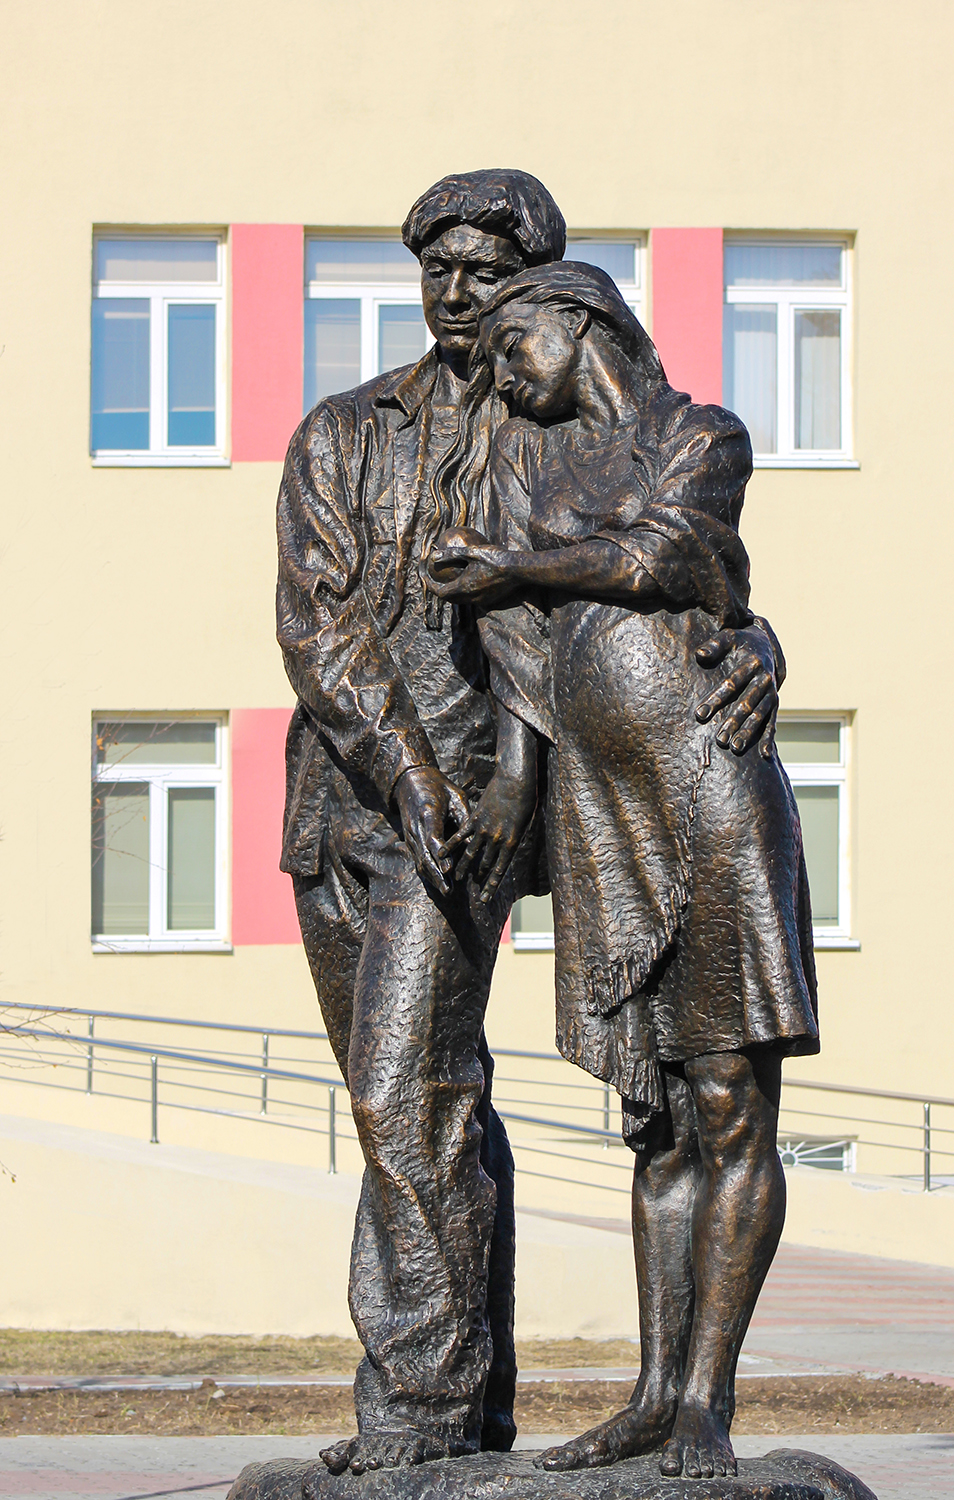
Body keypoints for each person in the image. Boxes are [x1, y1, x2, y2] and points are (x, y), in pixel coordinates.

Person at [277, 172, 786, 1477]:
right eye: (437, 269)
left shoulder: (540, 426)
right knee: (418, 1103)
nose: (459, 295)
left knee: (407, 1091)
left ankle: (415, 1420)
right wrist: (409, 771)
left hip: (490, 809)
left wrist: (751, 640)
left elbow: (657, 566)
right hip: (350, 800)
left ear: (548, 291)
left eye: (488, 274)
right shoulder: (345, 431)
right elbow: (319, 625)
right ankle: (465, 1410)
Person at [426, 261, 819, 1481]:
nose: (502, 376)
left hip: (710, 784)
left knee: (728, 1097)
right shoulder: (528, 474)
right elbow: (518, 658)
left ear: (580, 318)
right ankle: (651, 1395)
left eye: (513, 345)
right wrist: (516, 781)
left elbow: (674, 557)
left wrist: (522, 565)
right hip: (604, 814)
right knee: (656, 1121)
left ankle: (706, 1399)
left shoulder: (701, 434)